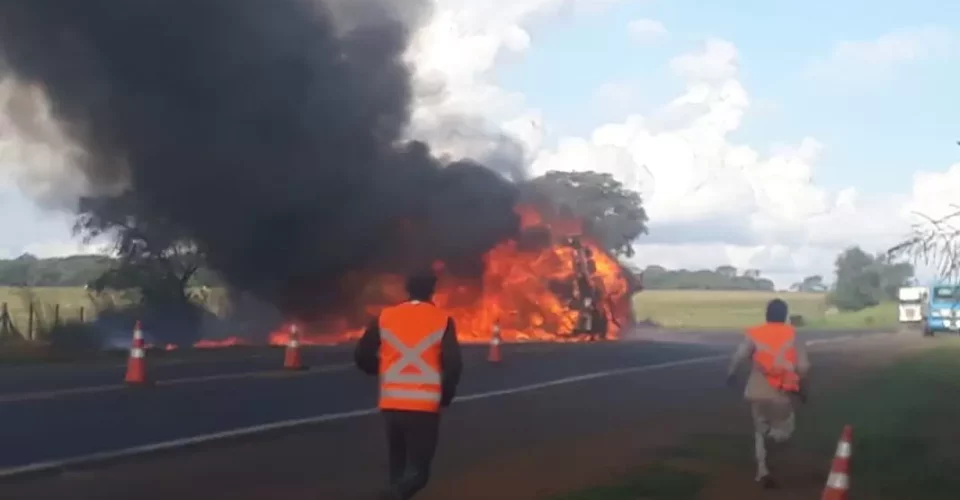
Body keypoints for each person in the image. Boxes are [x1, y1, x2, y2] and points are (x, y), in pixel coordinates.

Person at [354, 271, 463, 500]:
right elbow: (453, 365)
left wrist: (381, 369)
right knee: (419, 473)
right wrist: (445, 396)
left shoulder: (385, 317)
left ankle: (394, 492)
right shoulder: (442, 320)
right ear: (432, 291)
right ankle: (391, 496)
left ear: (407, 290)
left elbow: (362, 355)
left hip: (391, 405)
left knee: (398, 469)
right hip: (424, 407)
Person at [726, 298, 810, 488]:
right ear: (785, 315)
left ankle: (762, 469)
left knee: (759, 431)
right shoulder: (793, 335)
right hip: (781, 392)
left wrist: (731, 373)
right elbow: (803, 366)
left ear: (767, 315)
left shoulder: (756, 333)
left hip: (756, 390)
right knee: (784, 432)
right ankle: (771, 440)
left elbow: (739, 355)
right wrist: (803, 388)